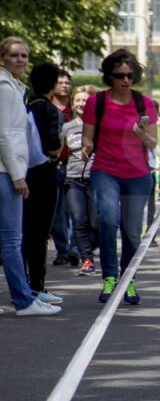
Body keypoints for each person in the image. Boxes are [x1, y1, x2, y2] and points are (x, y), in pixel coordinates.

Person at [81, 48, 158, 305]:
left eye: (130, 75)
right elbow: (87, 138)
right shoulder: (97, 102)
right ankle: (110, 277)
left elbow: (153, 143)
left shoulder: (143, 103)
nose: (125, 80)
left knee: (132, 232)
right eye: (120, 75)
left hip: (137, 174)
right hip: (106, 170)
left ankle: (130, 280)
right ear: (109, 76)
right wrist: (85, 147)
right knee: (108, 219)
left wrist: (142, 135)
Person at [0, 37, 61, 316]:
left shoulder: (14, 87)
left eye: (24, 55)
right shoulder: (5, 88)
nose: (21, 60)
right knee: (12, 239)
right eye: (15, 55)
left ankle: (26, 296)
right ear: (3, 58)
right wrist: (17, 175)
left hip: (11, 170)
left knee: (11, 238)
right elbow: (3, 136)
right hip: (6, 172)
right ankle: (24, 300)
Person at [23, 62, 66, 304]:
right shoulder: (51, 111)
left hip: (21, 171)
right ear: (53, 85)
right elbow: (53, 147)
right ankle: (37, 285)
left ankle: (22, 282)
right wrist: (60, 143)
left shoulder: (25, 105)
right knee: (39, 232)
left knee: (21, 231)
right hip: (44, 172)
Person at [63, 86, 99, 275]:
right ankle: (87, 260)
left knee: (96, 223)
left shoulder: (100, 125)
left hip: (96, 178)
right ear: (72, 102)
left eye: (85, 100)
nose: (81, 104)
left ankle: (87, 249)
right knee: (78, 220)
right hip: (73, 179)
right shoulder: (67, 127)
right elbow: (60, 152)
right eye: (77, 100)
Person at [49, 69, 78, 266]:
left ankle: (76, 248)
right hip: (53, 164)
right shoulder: (46, 107)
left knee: (76, 211)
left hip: (74, 164)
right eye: (60, 82)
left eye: (67, 82)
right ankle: (62, 250)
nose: (64, 85)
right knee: (56, 211)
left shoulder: (76, 109)